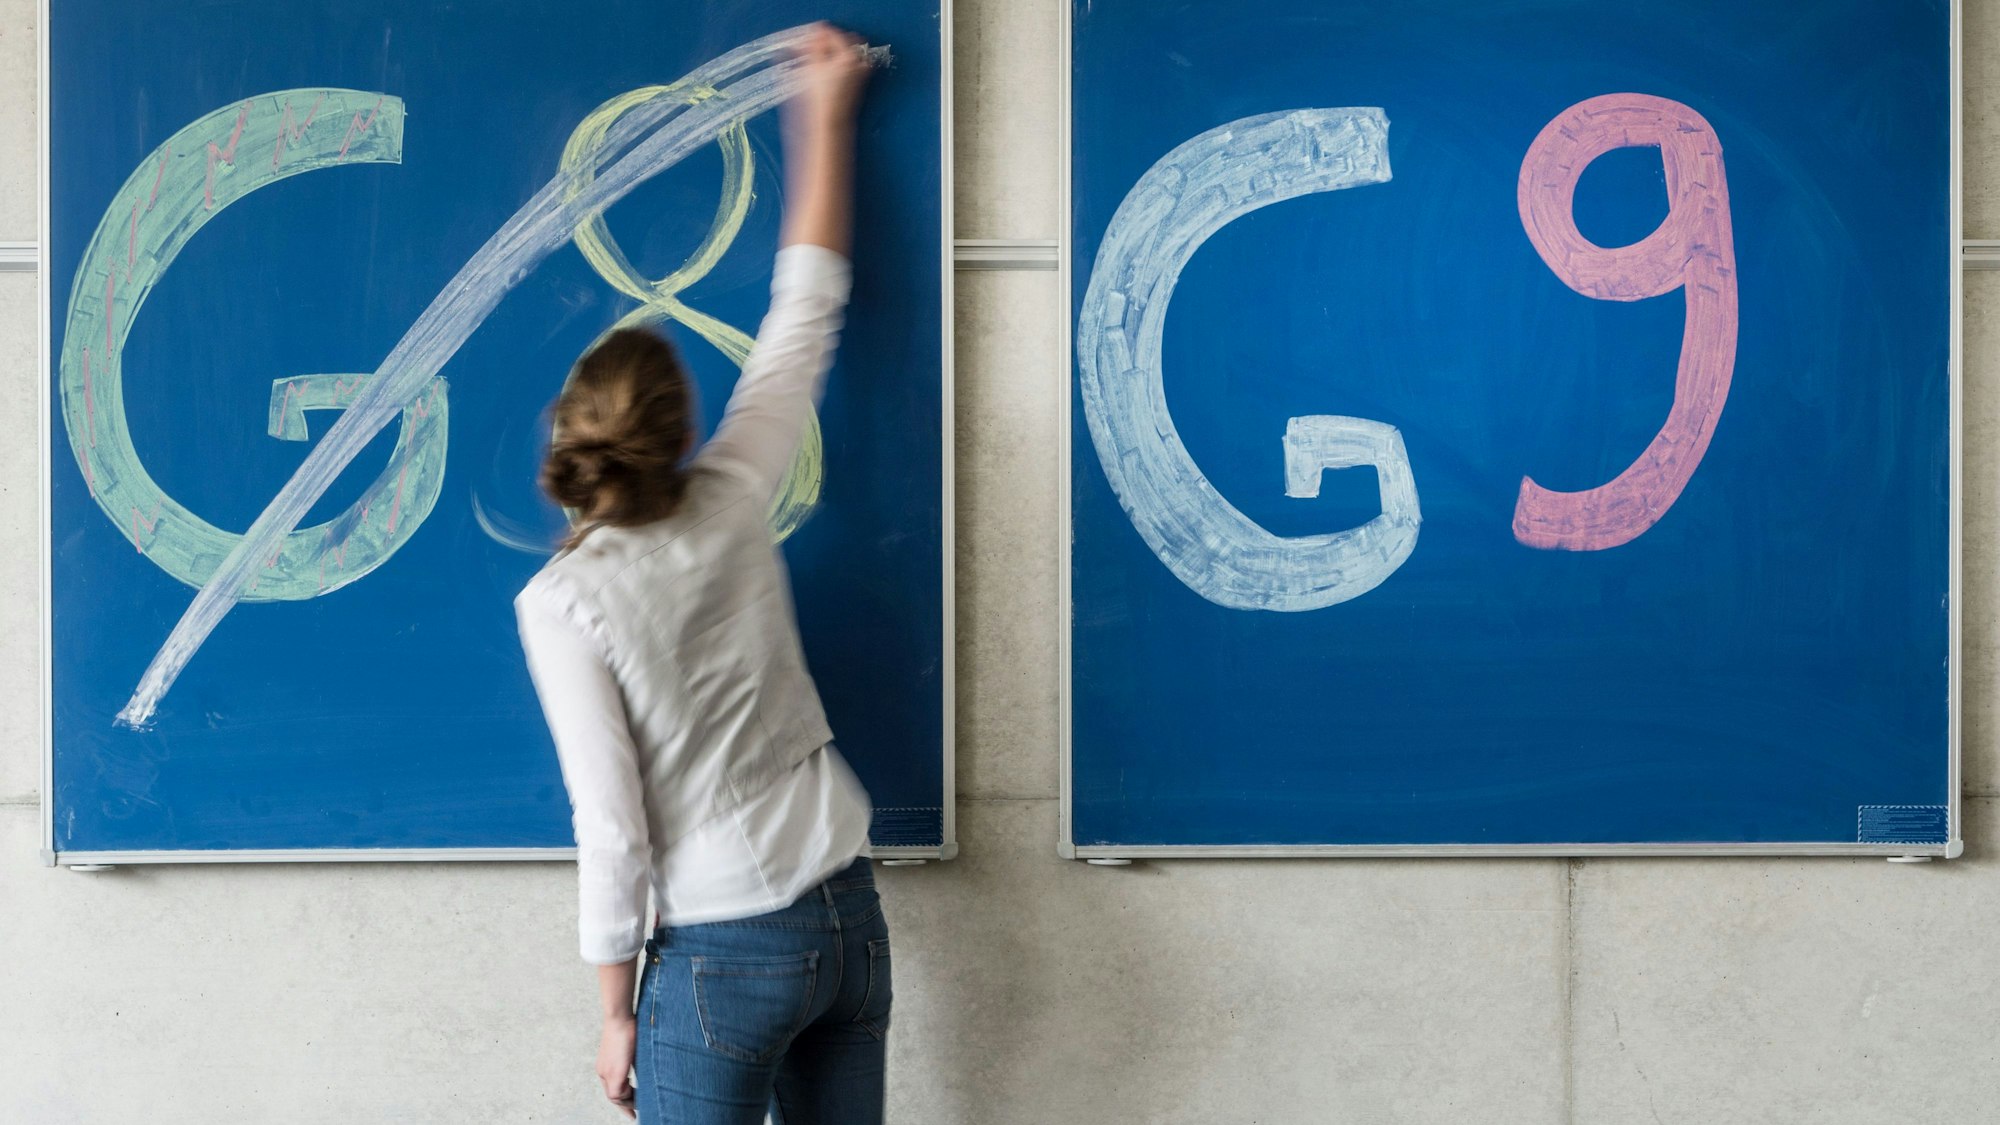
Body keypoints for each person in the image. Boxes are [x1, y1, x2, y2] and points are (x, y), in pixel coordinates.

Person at [514, 25, 887, 1125]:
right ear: (678, 432)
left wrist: (615, 1010)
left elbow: (612, 824)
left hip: (725, 947)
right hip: (847, 915)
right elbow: (803, 315)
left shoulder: (564, 602)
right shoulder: (730, 496)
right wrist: (824, 117)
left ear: (568, 436)